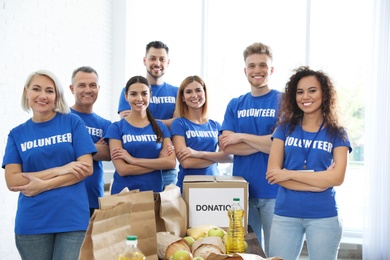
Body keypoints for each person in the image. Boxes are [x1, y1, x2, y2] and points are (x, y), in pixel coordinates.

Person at [2, 70, 97, 260]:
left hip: (72, 219)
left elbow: (86, 168)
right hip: (32, 222)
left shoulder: (72, 122)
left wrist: (43, 184)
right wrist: (60, 169)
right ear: (26, 92)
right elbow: (13, 181)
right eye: (36, 89)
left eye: (49, 91)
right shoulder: (17, 134)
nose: (43, 96)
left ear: (57, 96)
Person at [266, 66, 352, 259]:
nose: (305, 96)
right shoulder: (284, 129)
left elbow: (337, 178)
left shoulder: (338, 133)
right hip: (285, 214)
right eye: (300, 92)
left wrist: (288, 173)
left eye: (312, 90)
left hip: (323, 215)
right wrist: (317, 182)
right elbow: (273, 174)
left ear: (324, 94)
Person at [219, 42, 281, 255]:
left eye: (262, 65)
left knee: (276, 253)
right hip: (242, 193)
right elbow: (227, 145)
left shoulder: (283, 101)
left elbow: (278, 145)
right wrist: (266, 143)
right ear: (245, 70)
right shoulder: (235, 104)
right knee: (248, 253)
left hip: (274, 191)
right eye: (252, 66)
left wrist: (242, 137)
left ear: (271, 69)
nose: (257, 70)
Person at [117, 40, 179, 187]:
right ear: (145, 60)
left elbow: (178, 123)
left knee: (167, 209)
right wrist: (163, 124)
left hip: (167, 169)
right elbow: (128, 121)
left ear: (168, 62)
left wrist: (148, 122)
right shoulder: (130, 89)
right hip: (137, 165)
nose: (157, 63)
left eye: (162, 59)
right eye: (152, 58)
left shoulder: (176, 92)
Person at [106, 75, 176, 194]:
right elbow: (123, 169)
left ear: (150, 96)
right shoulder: (116, 128)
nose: (139, 98)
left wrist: (133, 160)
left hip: (153, 193)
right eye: (134, 94)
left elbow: (170, 163)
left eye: (144, 93)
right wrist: (158, 162)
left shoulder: (160, 127)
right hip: (124, 194)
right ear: (126, 96)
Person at [170, 75, 233, 191]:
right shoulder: (178, 124)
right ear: (183, 98)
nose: (194, 95)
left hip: (214, 184)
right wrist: (217, 157)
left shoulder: (215, 125)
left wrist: (197, 154)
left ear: (204, 94)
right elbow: (186, 162)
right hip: (189, 187)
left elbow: (229, 156)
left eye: (198, 90)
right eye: (189, 92)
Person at [69, 66, 112, 217]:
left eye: (92, 85)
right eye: (82, 85)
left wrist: (74, 145)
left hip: (94, 199)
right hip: (66, 199)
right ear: (72, 88)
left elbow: (108, 154)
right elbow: (61, 149)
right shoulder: (62, 118)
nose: (88, 90)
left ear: (98, 88)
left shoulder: (105, 124)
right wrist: (95, 148)